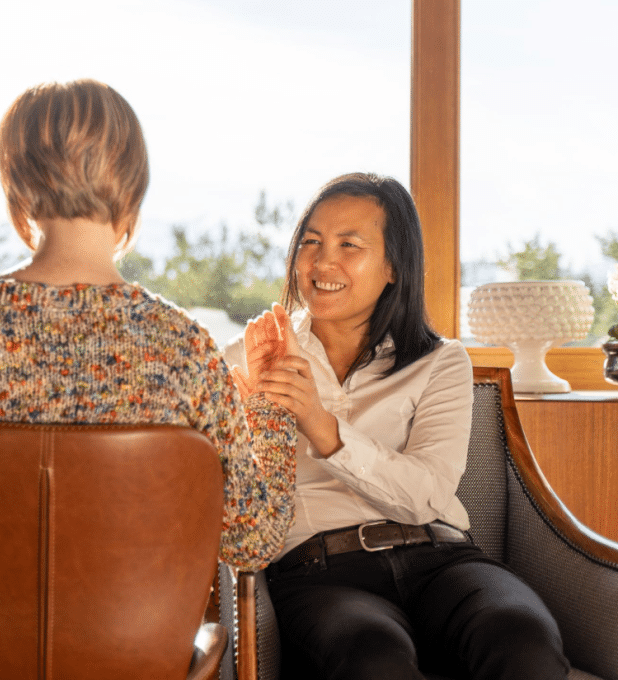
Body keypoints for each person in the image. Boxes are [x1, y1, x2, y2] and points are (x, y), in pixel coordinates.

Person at [0, 79, 295, 572]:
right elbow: (253, 542)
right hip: (139, 625)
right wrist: (270, 407)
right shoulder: (183, 347)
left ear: (16, 187)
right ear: (133, 189)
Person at [225, 172, 569, 679]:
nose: (322, 262)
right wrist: (254, 419)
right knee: (372, 656)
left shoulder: (441, 361)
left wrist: (321, 425)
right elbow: (228, 495)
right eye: (311, 242)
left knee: (522, 638)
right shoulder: (250, 357)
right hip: (319, 572)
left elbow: (427, 495)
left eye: (349, 245)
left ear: (393, 266)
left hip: (442, 558)